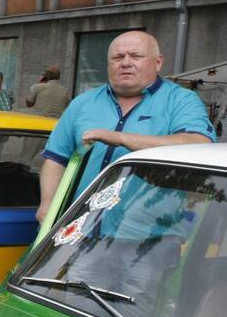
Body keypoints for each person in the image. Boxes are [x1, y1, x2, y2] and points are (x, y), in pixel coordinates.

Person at [37, 31, 214, 222]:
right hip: (77, 228)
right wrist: (48, 204)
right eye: (118, 57)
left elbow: (198, 144)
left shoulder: (181, 100)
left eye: (136, 56)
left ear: (158, 62)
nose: (126, 63)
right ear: (108, 64)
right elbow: (56, 158)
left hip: (149, 235)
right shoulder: (83, 103)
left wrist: (121, 138)